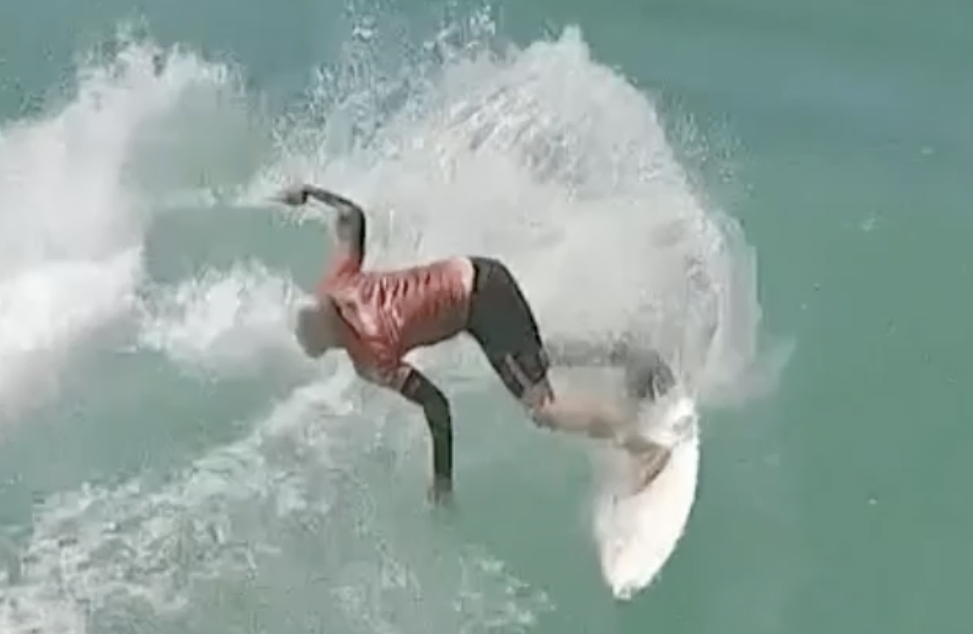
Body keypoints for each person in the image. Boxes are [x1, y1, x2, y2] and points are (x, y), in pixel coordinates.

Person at [275, 182, 675, 507]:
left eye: (310, 339)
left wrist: (442, 483)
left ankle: (642, 445)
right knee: (529, 354)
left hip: (482, 301)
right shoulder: (337, 284)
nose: (306, 346)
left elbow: (437, 406)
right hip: (477, 277)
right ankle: (627, 353)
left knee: (541, 406)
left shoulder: (374, 355)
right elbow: (352, 217)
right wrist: (310, 193)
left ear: (329, 332)